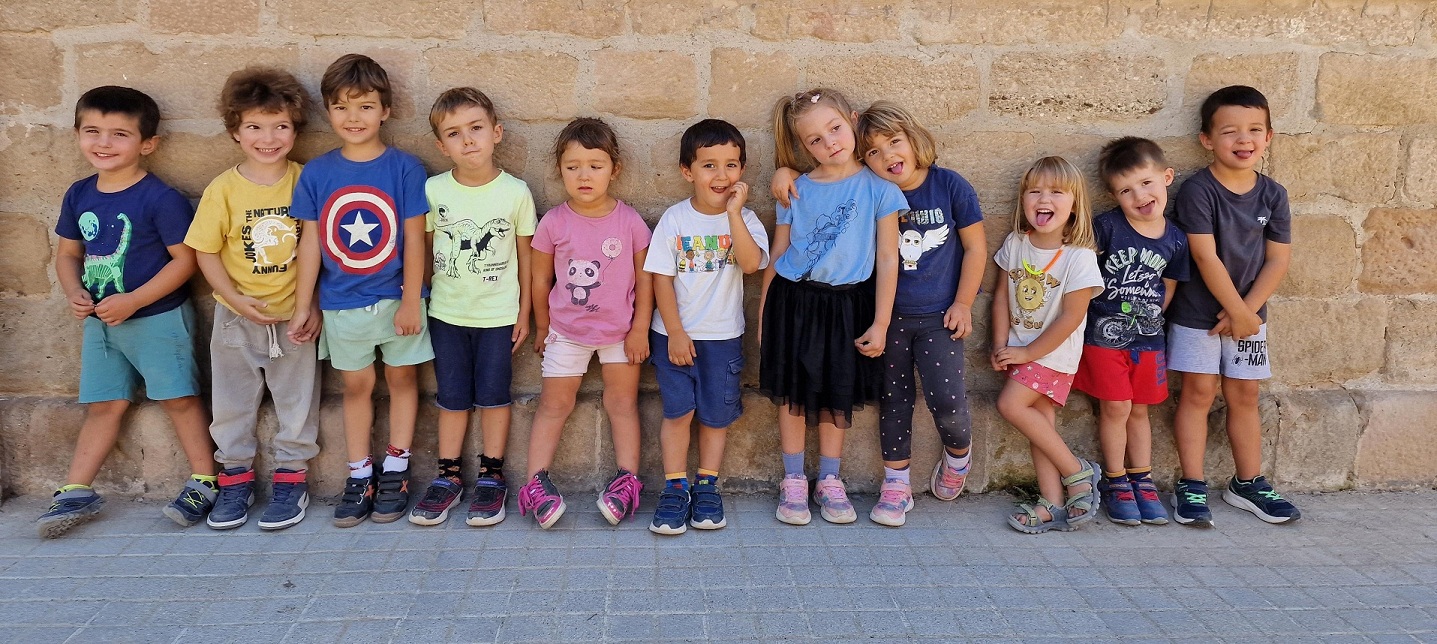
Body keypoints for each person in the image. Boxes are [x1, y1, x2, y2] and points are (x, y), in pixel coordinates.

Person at [773, 100, 985, 527]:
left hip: (919, 314)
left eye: (894, 142)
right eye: (874, 150)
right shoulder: (826, 185)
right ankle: (888, 483)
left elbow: (966, 248)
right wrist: (784, 170)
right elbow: (788, 241)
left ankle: (955, 456)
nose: (887, 155)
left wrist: (961, 303)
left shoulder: (929, 186)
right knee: (885, 401)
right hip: (856, 311)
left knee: (941, 400)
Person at [39, 86, 216, 538]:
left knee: (178, 397)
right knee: (105, 403)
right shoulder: (79, 194)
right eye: (92, 131)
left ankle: (205, 480)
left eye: (119, 134)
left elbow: (186, 261)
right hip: (100, 324)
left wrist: (135, 300)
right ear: (77, 134)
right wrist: (73, 291)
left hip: (157, 320)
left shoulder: (160, 198)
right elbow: (68, 255)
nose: (103, 143)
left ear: (147, 144)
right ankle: (76, 488)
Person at [290, 54, 433, 528]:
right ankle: (359, 474)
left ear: (385, 110)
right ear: (328, 111)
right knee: (356, 387)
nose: (354, 118)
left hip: (397, 301)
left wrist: (411, 300)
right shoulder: (316, 174)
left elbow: (415, 238)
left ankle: (396, 468)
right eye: (341, 107)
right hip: (341, 304)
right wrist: (304, 304)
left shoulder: (405, 168)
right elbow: (310, 242)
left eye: (366, 106)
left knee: (403, 380)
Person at [185, 67, 321, 531]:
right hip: (236, 318)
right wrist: (232, 299)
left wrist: (307, 306)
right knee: (231, 403)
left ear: (295, 129)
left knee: (297, 403)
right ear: (235, 131)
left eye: (280, 126)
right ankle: (235, 479)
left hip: (294, 317)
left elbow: (314, 244)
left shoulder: (305, 180)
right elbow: (205, 250)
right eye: (255, 127)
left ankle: (291, 479)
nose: (269, 138)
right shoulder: (223, 189)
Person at [761, 88, 905, 526]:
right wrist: (764, 315)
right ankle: (793, 479)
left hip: (847, 305)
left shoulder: (881, 190)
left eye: (835, 129)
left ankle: (828, 478)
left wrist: (881, 323)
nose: (829, 143)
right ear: (803, 146)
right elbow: (779, 253)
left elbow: (888, 259)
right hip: (794, 301)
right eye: (815, 140)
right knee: (791, 392)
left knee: (835, 391)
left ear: (853, 120)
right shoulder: (796, 189)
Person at [1166, 85, 1298, 526]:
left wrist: (1248, 311)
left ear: (1269, 137)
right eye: (1230, 131)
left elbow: (1278, 260)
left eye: (1255, 130)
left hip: (1249, 318)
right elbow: (1204, 256)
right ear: (1207, 139)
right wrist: (1237, 311)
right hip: (1197, 317)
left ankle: (1248, 483)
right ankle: (1191, 484)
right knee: (1198, 393)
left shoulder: (1273, 195)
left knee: (1245, 394)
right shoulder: (1198, 190)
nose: (1244, 139)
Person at [408, 87, 535, 528]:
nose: (467, 140)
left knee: (495, 396)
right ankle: (448, 477)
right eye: (454, 133)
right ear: (442, 146)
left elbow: (527, 258)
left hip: (498, 317)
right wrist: (423, 297)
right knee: (452, 397)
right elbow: (424, 249)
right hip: (446, 315)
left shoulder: (516, 192)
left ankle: (492, 476)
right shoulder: (433, 190)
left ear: (496, 132)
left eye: (476, 128)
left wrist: (525, 313)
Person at [520, 118, 653, 529]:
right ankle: (535, 484)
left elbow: (646, 278)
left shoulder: (629, 221)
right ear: (560, 169)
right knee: (554, 404)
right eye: (573, 166)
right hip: (566, 332)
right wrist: (543, 327)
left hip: (621, 334)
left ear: (614, 169)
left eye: (595, 166)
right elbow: (540, 280)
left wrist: (640, 329)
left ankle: (627, 481)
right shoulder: (553, 222)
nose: (584, 175)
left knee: (622, 404)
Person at [645, 119, 769, 535]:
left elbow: (750, 264)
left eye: (731, 165)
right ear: (688, 171)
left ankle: (706, 486)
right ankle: (674, 488)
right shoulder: (675, 219)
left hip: (723, 338)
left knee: (716, 417)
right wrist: (676, 332)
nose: (721, 175)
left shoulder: (746, 219)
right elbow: (661, 279)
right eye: (709, 165)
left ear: (742, 170)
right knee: (679, 412)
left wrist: (733, 214)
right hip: (673, 336)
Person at [1073, 137, 1189, 526]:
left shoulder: (1176, 239)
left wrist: (1150, 321)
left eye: (1146, 183)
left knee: (1140, 410)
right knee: (1116, 407)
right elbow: (1083, 273)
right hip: (1104, 338)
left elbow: (1169, 285)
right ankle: (1116, 480)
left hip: (1148, 341)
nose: (1139, 196)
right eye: (1126, 190)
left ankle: (1142, 480)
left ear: (1166, 177)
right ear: (1113, 195)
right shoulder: (1107, 227)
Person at [991, 156, 1105, 534]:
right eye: (1035, 191)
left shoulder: (1079, 257)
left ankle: (1077, 472)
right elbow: (1001, 297)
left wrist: (1028, 352)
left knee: (1010, 405)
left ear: (1074, 205)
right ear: (1023, 200)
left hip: (1054, 354)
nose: (1044, 199)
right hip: (1020, 349)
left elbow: (1072, 316)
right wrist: (1001, 342)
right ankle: (1052, 503)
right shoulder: (1016, 243)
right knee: (1041, 427)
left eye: (1057, 192)